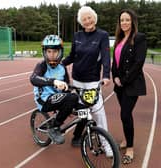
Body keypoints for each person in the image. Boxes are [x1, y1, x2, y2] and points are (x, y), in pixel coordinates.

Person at [62, 6, 112, 157]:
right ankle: (78, 137)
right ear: (81, 22)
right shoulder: (77, 35)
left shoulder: (102, 35)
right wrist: (57, 64)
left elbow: (105, 57)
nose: (87, 21)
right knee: (82, 112)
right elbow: (72, 56)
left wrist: (106, 75)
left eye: (89, 17)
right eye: (84, 19)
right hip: (77, 81)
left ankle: (106, 144)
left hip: (92, 82)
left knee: (98, 114)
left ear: (94, 18)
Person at [111, 9, 147, 164]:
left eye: (127, 19)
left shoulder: (139, 38)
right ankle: (127, 139)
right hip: (120, 84)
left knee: (125, 115)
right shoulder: (119, 39)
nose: (124, 22)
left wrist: (124, 80)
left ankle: (130, 148)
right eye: (122, 20)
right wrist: (115, 77)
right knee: (125, 114)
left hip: (132, 84)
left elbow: (138, 63)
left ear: (133, 21)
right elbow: (115, 62)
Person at [30, 35, 80, 145]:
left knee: (82, 103)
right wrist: (53, 81)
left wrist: (69, 105)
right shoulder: (42, 65)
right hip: (44, 100)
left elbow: (66, 86)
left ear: (60, 52)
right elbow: (33, 79)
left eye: (55, 51)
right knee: (73, 97)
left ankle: (79, 136)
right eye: (49, 51)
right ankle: (54, 127)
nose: (52, 55)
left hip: (58, 97)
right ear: (44, 52)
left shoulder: (62, 67)